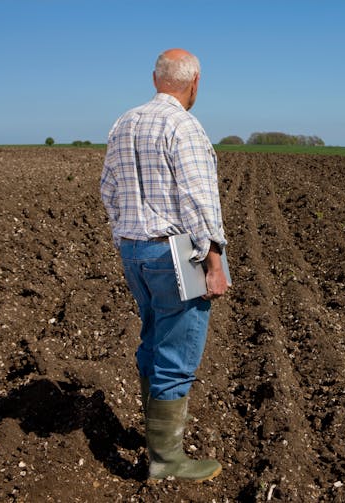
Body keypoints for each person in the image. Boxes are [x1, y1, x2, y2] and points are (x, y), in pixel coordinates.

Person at [100, 48, 228, 482]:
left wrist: (126, 236)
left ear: (156, 80)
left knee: (153, 338)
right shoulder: (184, 126)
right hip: (175, 254)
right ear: (194, 83)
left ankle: (155, 440)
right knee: (177, 351)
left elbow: (108, 189)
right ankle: (167, 461)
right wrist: (214, 261)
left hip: (135, 251)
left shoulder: (124, 123)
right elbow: (198, 201)